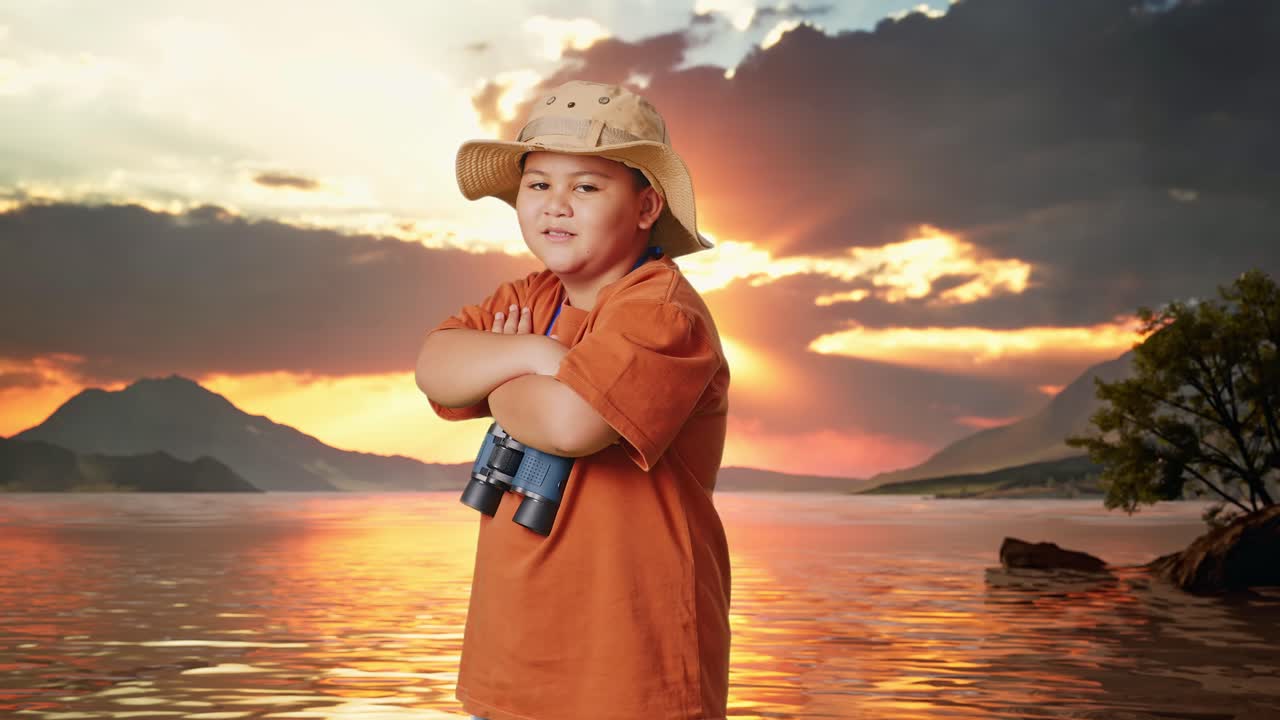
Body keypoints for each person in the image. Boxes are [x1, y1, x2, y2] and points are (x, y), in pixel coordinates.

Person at [415, 79, 731, 720]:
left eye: (585, 186)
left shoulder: (661, 311)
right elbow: (434, 366)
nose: (556, 204)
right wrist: (537, 357)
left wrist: (495, 375)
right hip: (516, 648)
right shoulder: (532, 299)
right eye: (538, 185)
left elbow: (571, 425)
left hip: (631, 656)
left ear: (646, 207)